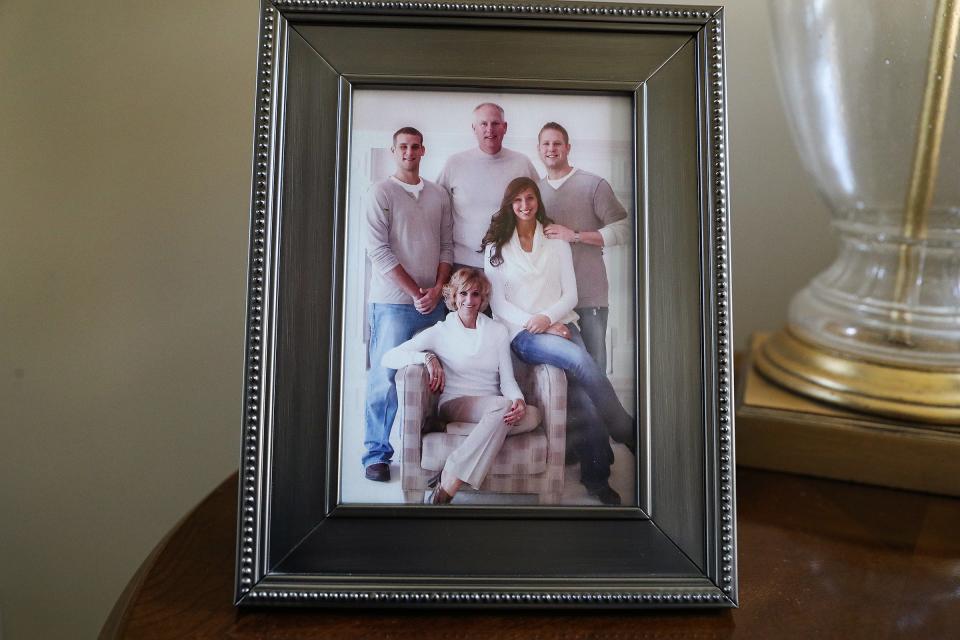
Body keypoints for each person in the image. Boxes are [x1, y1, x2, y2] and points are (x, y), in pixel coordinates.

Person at [481, 177, 635, 505]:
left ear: (538, 201)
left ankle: (596, 478)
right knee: (581, 361)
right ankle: (624, 429)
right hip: (521, 333)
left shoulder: (555, 240)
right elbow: (499, 304)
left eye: (530, 198)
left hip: (563, 323)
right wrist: (539, 324)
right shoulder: (496, 247)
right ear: (509, 204)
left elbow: (571, 294)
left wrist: (550, 320)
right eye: (518, 200)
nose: (525, 205)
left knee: (584, 393)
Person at [381, 268, 540, 504]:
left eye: (475, 294)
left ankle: (451, 439)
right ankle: (451, 481)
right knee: (503, 408)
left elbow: (507, 380)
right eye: (463, 293)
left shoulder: (497, 331)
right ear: (453, 297)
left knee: (532, 415)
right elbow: (389, 357)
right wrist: (426, 358)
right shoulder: (441, 331)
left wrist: (517, 399)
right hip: (455, 403)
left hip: (492, 406)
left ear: (483, 298)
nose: (469, 300)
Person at [363, 126, 453, 483]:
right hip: (393, 304)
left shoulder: (438, 195)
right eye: (403, 147)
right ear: (393, 150)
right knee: (385, 379)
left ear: (423, 150)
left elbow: (447, 246)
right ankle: (376, 454)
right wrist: (416, 291)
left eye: (415, 147)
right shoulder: (380, 192)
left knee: (438, 378)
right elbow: (379, 252)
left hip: (435, 304)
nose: (409, 152)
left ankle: (428, 455)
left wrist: (439, 288)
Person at [537, 122, 630, 372]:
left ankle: (604, 413)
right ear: (538, 149)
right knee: (562, 375)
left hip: (589, 295)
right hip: (552, 302)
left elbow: (625, 229)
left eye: (557, 143)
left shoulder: (594, 184)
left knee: (594, 371)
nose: (551, 148)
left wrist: (574, 235)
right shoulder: (534, 192)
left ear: (567, 147)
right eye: (546, 143)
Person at [437, 103, 539, 271]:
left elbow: (540, 207)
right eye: (483, 124)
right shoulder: (454, 163)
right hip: (463, 265)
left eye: (495, 123)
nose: (489, 129)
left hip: (510, 262)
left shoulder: (522, 163)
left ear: (504, 127)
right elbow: (436, 208)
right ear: (474, 128)